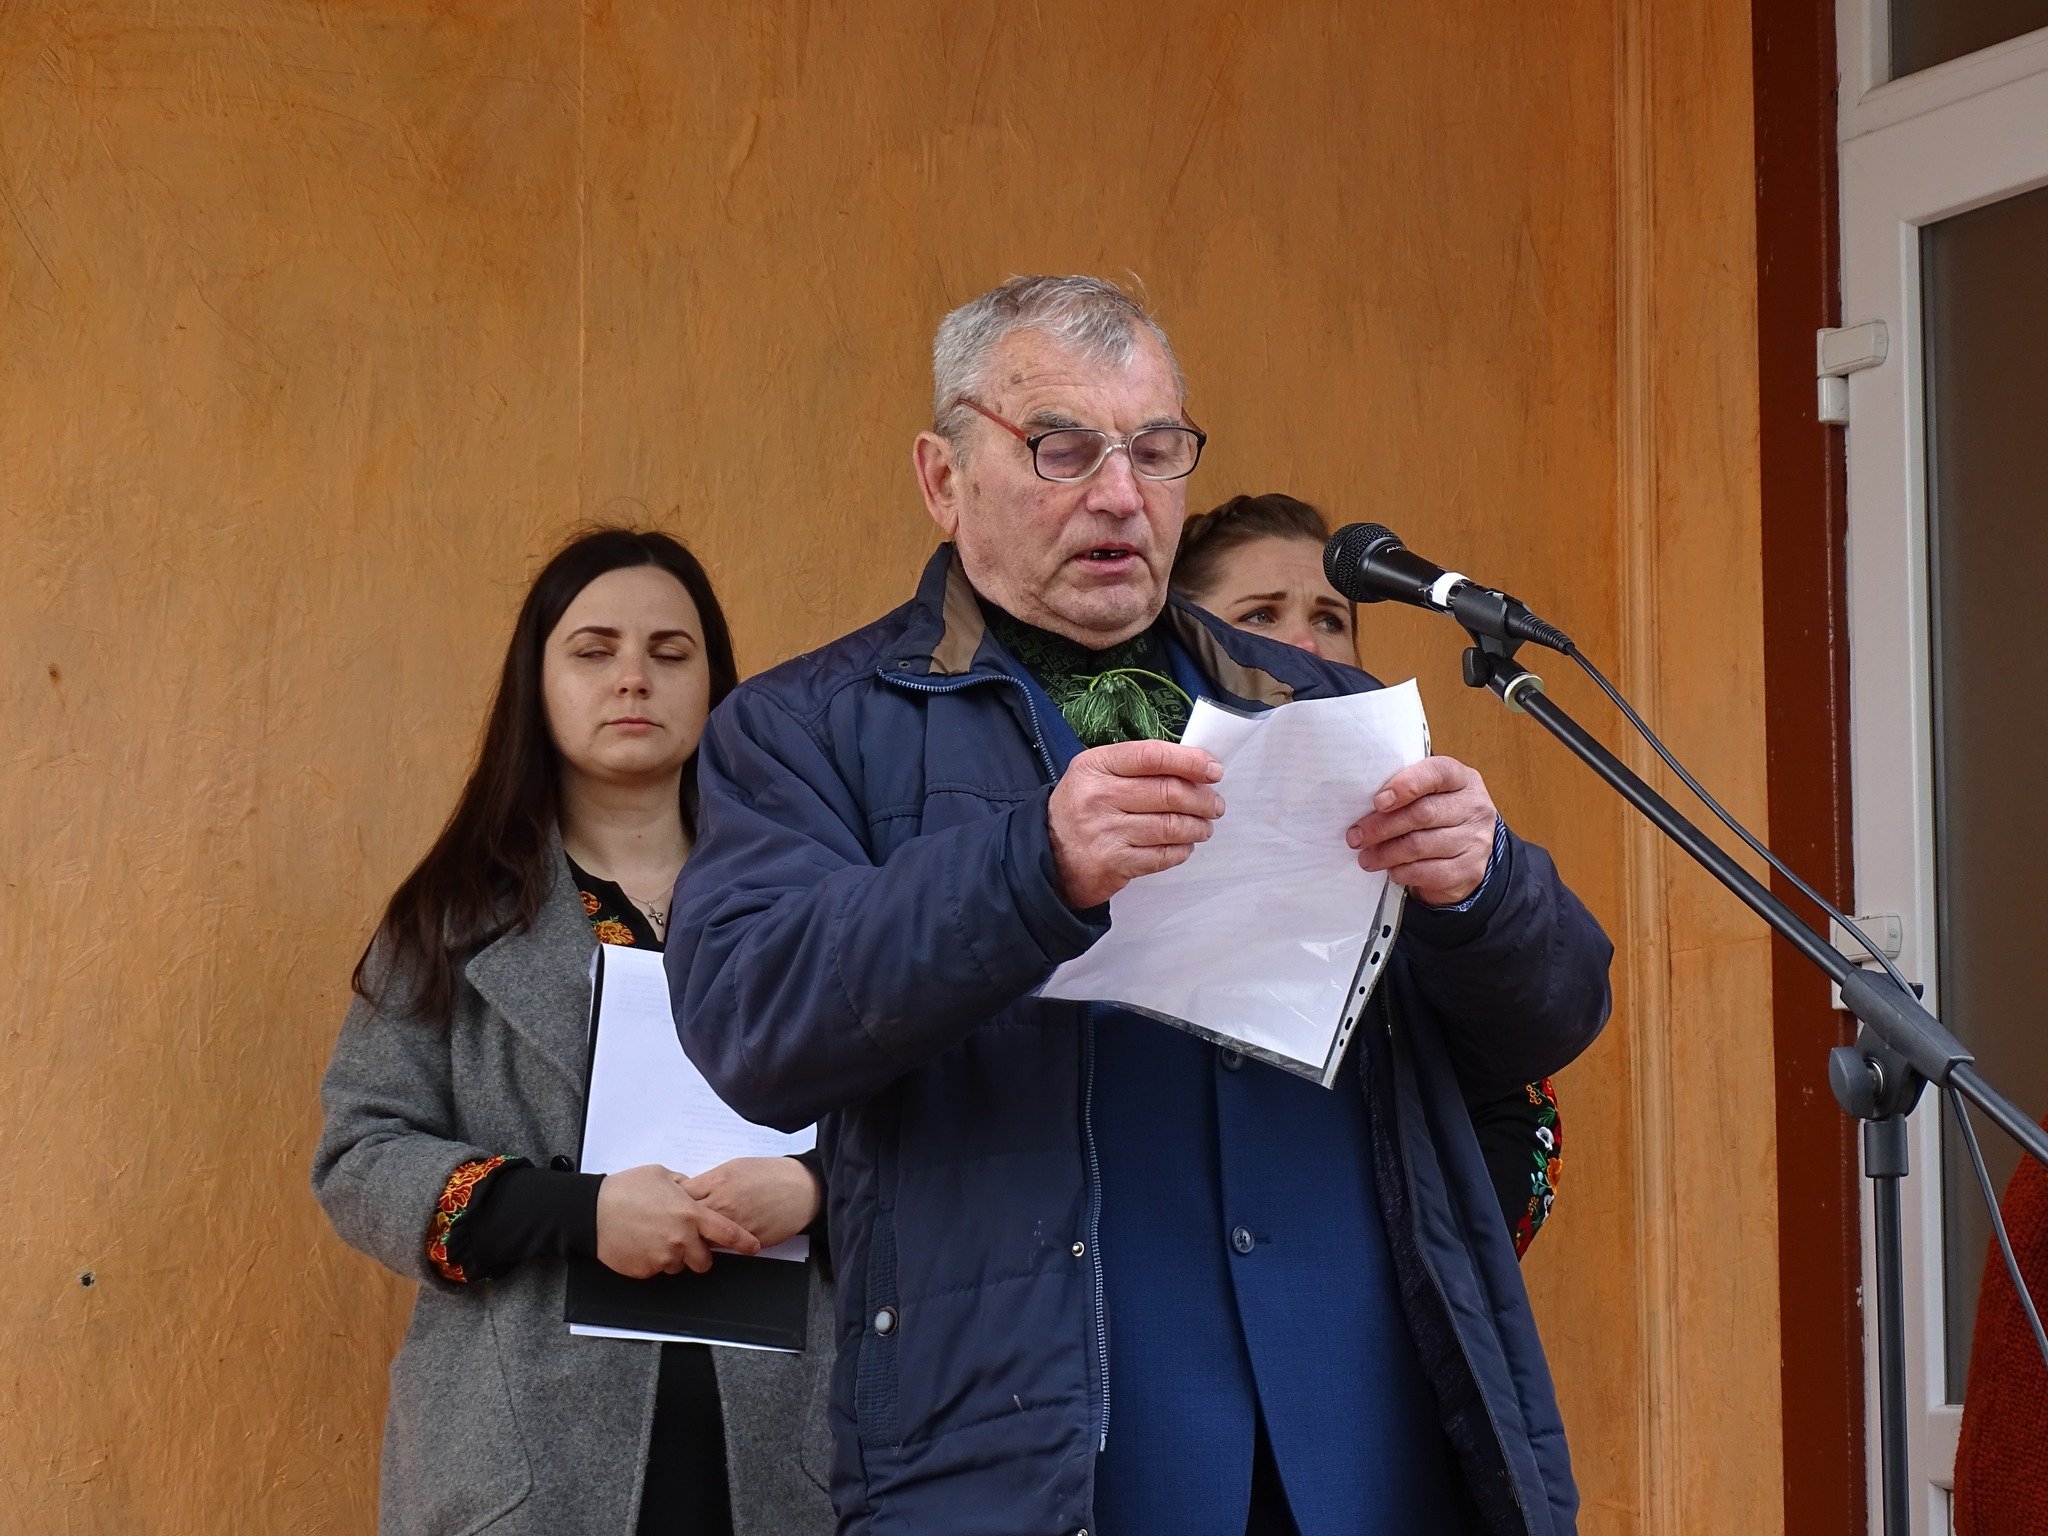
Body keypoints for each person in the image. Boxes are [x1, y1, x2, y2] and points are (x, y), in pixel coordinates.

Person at [669, 276, 1612, 1535]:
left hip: (1365, 1431)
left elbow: (1549, 1018)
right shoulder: (805, 728)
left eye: (1155, 450)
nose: (1119, 495)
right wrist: (1032, 869)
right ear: (943, 479)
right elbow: (751, 1023)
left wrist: (1479, 889)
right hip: (1043, 1449)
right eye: (1061, 449)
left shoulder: (1320, 705)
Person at [313, 528, 836, 1536]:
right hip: (523, 1459)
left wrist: (813, 1189)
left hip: (790, 1453)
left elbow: (918, 1141)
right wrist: (580, 1213)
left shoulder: (810, 907)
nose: (633, 677)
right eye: (594, 651)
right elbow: (359, 1155)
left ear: (715, 685)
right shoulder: (450, 920)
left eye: (669, 652)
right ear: (538, 685)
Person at [1173, 492, 1563, 1258]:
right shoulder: (1120, 833)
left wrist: (1408, 1273)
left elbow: (1522, 1107)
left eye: (1330, 619)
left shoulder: (1419, 837)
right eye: (1260, 615)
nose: (1305, 644)